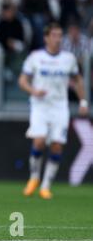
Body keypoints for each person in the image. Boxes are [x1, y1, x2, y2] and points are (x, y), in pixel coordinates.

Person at [18, 23, 89, 199]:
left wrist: (83, 101)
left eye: (60, 35)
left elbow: (78, 80)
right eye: (55, 35)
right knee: (39, 142)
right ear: (46, 37)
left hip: (59, 107)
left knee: (57, 145)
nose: (58, 39)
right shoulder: (36, 57)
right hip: (40, 105)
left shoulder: (68, 58)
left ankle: (46, 185)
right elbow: (22, 80)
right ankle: (34, 178)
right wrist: (33, 91)